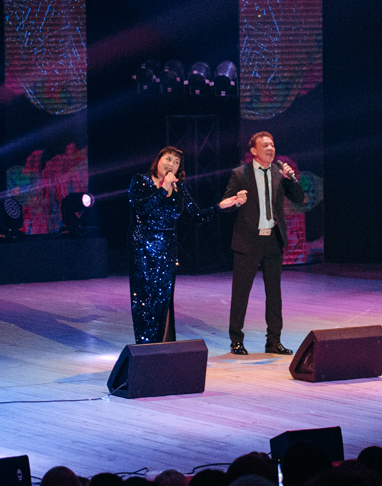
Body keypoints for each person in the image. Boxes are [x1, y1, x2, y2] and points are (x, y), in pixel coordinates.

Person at [130, 146, 240, 343]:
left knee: (163, 300)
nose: (171, 165)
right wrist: (163, 189)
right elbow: (142, 209)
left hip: (167, 251)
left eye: (176, 162)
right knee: (145, 301)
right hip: (143, 250)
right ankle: (144, 348)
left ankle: (162, 347)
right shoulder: (141, 181)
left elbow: (196, 216)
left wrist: (220, 206)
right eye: (168, 159)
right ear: (158, 159)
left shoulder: (179, 188)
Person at [219, 131, 306, 355]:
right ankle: (236, 341)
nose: (270, 148)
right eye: (265, 145)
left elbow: (299, 198)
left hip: (273, 240)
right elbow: (226, 205)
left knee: (274, 294)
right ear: (254, 151)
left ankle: (274, 341)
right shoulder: (240, 174)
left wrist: (292, 179)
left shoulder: (279, 173)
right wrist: (236, 201)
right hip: (248, 240)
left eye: (272, 145)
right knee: (241, 293)